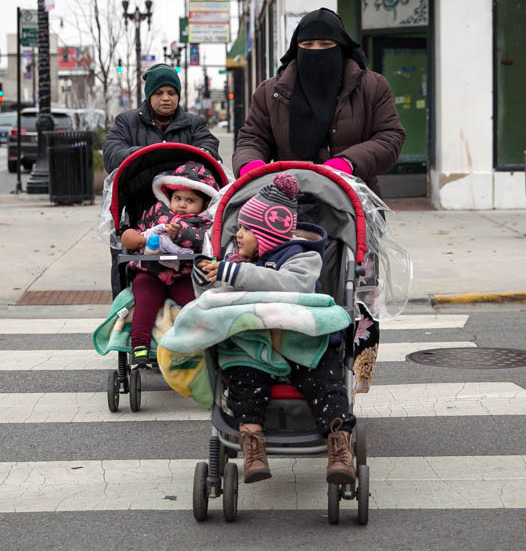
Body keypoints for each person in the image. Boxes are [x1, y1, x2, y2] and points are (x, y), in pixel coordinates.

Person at [194, 172, 355, 486]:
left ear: (267, 233)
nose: (238, 234)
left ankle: (339, 445)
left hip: (301, 342)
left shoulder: (303, 257)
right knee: (242, 380)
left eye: (246, 229)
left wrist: (236, 273)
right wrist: (205, 279)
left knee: (327, 383)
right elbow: (215, 300)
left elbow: (290, 285)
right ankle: (252, 443)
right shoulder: (237, 262)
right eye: (238, 228)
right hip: (255, 346)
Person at [233, 8, 405, 196]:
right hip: (288, 200)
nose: (316, 51)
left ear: (341, 47)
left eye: (326, 44)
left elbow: (389, 137)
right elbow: (252, 139)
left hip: (355, 200)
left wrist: (348, 163)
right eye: (308, 44)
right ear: (297, 48)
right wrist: (250, 166)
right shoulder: (270, 92)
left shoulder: (372, 86)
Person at [122, 161, 222, 366]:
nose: (182, 204)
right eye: (178, 198)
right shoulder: (157, 210)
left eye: (190, 200)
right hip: (150, 271)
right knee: (145, 300)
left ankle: (197, 345)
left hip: (185, 274)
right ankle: (139, 344)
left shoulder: (205, 222)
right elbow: (142, 230)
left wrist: (181, 234)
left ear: (204, 204)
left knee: (194, 304)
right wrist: (136, 239)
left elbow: (207, 243)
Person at [102, 63, 221, 171]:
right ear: (149, 96)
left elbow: (209, 148)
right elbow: (112, 155)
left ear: (178, 96)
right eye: (158, 93)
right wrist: (149, 154)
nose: (166, 98)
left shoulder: (196, 124)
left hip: (183, 187)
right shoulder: (125, 122)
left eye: (171, 93)